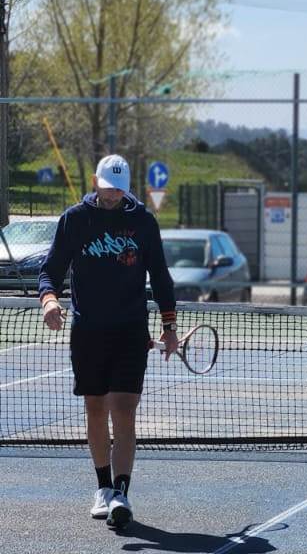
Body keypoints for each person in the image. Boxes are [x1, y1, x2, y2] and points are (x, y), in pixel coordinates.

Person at [39, 154, 178, 529]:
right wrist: (49, 301)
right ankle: (103, 488)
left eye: (119, 188)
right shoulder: (74, 220)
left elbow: (160, 276)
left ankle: (121, 492)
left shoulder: (143, 222)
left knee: (124, 410)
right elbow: (50, 271)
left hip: (131, 330)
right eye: (107, 187)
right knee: (96, 408)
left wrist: (169, 326)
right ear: (94, 182)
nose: (113, 194)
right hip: (88, 331)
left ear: (127, 188)